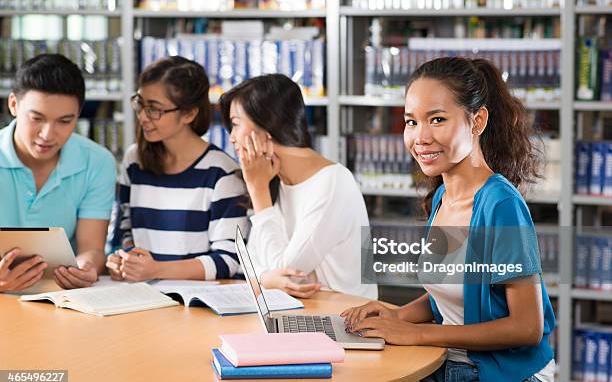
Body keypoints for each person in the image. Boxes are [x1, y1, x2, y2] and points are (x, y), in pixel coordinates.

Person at [342, 57, 556, 382]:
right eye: (411, 122)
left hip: (504, 377)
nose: (421, 137)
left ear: (477, 121)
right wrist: (396, 315)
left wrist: (417, 333)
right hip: (448, 363)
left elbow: (527, 327)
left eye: (437, 119)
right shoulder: (442, 197)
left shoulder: (500, 205)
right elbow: (455, 295)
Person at [220, 74, 377, 299]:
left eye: (235, 124)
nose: (232, 138)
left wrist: (258, 191)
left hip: (342, 317)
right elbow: (251, 266)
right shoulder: (273, 175)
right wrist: (266, 279)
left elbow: (288, 272)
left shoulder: (331, 182)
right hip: (296, 312)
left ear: (267, 125)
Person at [106, 56, 248, 281]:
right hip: (142, 298)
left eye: (154, 109)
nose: (142, 116)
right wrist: (122, 259)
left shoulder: (221, 173)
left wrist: (156, 270)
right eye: (140, 104)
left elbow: (228, 260)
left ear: (189, 114)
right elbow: (125, 231)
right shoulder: (134, 161)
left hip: (196, 306)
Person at [0, 54, 116, 291]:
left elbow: (91, 249)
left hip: (61, 300)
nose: (47, 134)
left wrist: (86, 268)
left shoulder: (97, 162)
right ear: (13, 105)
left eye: (64, 121)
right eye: (36, 118)